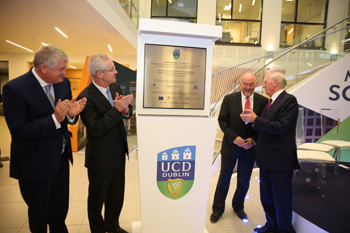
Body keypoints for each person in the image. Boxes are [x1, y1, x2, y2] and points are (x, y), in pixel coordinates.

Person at [2, 44, 87, 233]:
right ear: (43, 68)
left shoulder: (63, 83)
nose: (65, 73)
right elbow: (19, 131)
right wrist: (54, 119)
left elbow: (67, 117)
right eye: (61, 69)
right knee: (39, 215)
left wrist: (71, 115)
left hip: (60, 159)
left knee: (59, 212)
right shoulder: (15, 89)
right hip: (34, 163)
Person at [77, 53, 133, 233]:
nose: (116, 71)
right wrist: (116, 109)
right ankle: (98, 229)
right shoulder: (85, 97)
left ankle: (113, 226)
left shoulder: (114, 86)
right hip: (100, 159)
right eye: (112, 69)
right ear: (99, 74)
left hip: (118, 153)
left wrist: (125, 109)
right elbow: (96, 129)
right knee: (97, 198)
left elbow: (126, 110)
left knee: (116, 195)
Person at [240, 72, 300, 233]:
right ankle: (272, 226)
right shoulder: (271, 102)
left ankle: (285, 230)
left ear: (275, 82)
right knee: (267, 197)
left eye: (265, 82)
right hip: (267, 159)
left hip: (280, 161)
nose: (263, 85)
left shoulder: (289, 101)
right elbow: (266, 127)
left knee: (281, 199)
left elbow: (280, 127)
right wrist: (249, 122)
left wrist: (256, 120)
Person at [210, 73, 268, 223]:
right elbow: (222, 120)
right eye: (245, 84)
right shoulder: (229, 99)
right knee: (224, 178)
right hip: (231, 145)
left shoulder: (263, 101)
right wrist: (234, 137)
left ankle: (238, 206)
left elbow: (264, 124)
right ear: (240, 83)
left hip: (250, 148)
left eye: (251, 84)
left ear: (256, 84)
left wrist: (254, 140)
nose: (248, 87)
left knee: (244, 179)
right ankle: (217, 209)